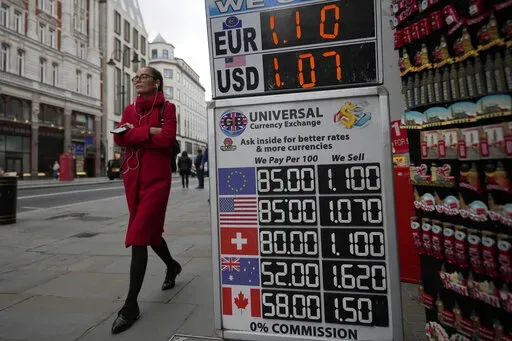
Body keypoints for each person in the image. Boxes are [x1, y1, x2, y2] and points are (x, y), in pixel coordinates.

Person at [111, 66, 181, 335]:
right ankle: (172, 266)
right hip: (132, 179)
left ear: (157, 82)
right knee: (149, 233)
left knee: (139, 235)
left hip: (156, 181)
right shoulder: (130, 110)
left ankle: (130, 306)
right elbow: (120, 138)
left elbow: (166, 140)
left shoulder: (168, 108)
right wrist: (149, 131)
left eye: (143, 77)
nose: (138, 80)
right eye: (136, 77)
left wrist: (139, 135)